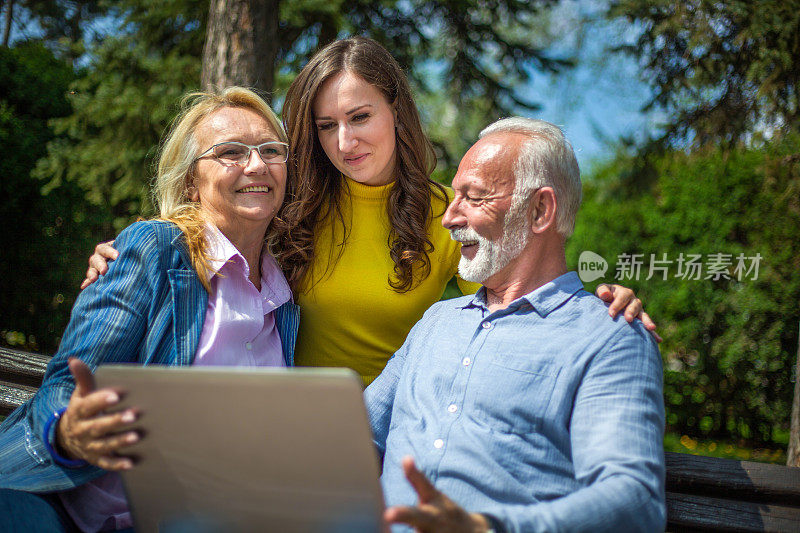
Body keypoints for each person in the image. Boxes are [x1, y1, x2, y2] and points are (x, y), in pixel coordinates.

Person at [84, 37, 658, 388]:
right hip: (276, 429)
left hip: (392, 435)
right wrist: (120, 261)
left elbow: (522, 295)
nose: (344, 141)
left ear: (395, 111)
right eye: (325, 125)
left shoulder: (448, 212)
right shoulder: (288, 204)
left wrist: (595, 305)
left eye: (359, 117)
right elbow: (202, 236)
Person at [0, 87, 299, 532]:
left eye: (270, 151)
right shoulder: (156, 251)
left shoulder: (286, 298)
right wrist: (67, 430)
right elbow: (67, 383)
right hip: (77, 516)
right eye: (230, 152)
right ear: (190, 185)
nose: (256, 165)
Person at [366, 118, 665, 532]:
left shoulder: (610, 335)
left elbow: (634, 501)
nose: (450, 217)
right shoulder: (435, 323)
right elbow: (357, 433)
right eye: (455, 197)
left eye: (474, 197)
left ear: (539, 209)